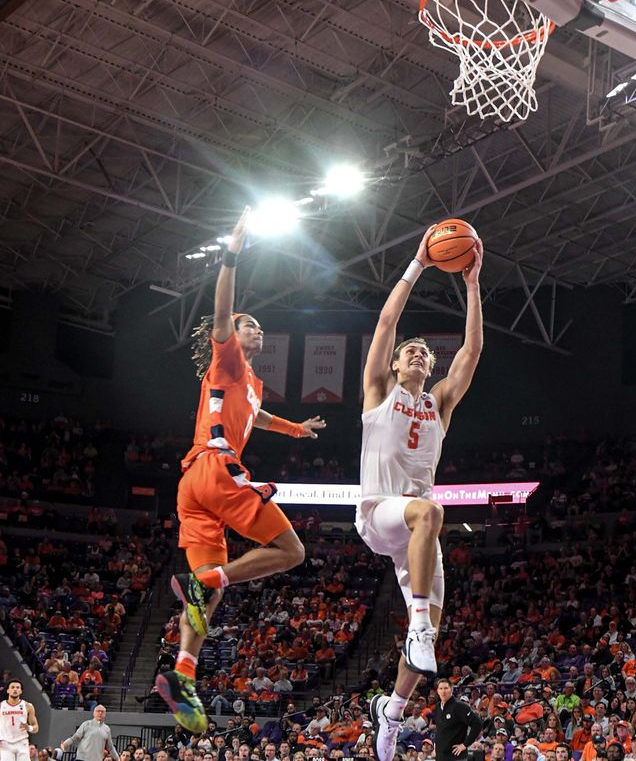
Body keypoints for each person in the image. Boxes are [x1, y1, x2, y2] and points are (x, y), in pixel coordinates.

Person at [155, 208, 326, 732]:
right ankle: (207, 578)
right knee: (291, 552)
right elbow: (222, 304)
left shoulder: (249, 384)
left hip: (193, 487)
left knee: (209, 597)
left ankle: (183, 672)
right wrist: (232, 252)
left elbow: (261, 415)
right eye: (253, 324)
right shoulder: (227, 358)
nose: (257, 330)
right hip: (216, 467)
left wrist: (295, 429)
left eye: (255, 327)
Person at [357, 226, 483, 761]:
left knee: (429, 623)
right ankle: (420, 629)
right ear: (393, 364)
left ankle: (392, 710)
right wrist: (417, 264)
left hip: (415, 528)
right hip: (380, 513)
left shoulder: (439, 405)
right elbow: (387, 321)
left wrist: (473, 284)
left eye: (424, 353)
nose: (417, 354)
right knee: (431, 512)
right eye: (409, 350)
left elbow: (472, 351)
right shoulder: (379, 391)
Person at [0, 680, 38, 761]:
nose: (15, 689)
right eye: (12, 687)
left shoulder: (28, 706)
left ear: (21, 691)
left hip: (22, 742)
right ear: (8, 690)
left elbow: (36, 728)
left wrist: (29, 728)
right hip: (6, 743)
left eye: (17, 687)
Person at [433, 679, 483, 761]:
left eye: (446, 688)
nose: (443, 691)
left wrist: (465, 745)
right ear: (437, 691)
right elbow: (440, 728)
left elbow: (477, 724)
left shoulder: (459, 706)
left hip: (456, 757)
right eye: (441, 689)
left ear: (451, 690)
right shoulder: (437, 707)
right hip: (440, 756)